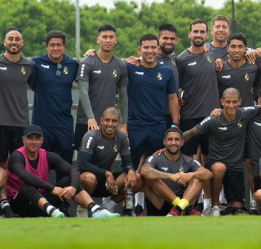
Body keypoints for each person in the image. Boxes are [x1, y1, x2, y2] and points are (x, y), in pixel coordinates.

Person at [6, 124, 117, 218]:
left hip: (42, 203)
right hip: (20, 205)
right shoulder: (17, 156)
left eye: (37, 138)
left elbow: (72, 170)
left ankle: (96, 210)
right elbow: (24, 175)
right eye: (30, 138)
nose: (33, 142)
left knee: (68, 181)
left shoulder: (47, 155)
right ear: (23, 140)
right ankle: (54, 212)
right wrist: (52, 188)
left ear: (42, 140)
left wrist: (73, 187)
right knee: (27, 186)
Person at [183, 88, 260, 215]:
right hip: (215, 163)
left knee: (236, 207)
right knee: (219, 168)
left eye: (234, 102)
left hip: (236, 167)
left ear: (239, 102)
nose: (231, 105)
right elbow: (191, 133)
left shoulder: (245, 113)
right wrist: (170, 145)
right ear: (222, 102)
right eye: (228, 102)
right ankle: (214, 206)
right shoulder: (214, 118)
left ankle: (224, 209)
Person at [125, 34, 179, 215]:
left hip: (157, 126)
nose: (150, 51)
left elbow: (173, 98)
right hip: (135, 126)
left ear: (158, 49)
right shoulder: (130, 68)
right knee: (131, 170)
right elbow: (109, 62)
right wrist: (91, 52)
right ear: (139, 50)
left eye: (153, 47)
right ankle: (129, 206)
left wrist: (175, 124)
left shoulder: (167, 72)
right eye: (146, 48)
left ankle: (158, 209)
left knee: (156, 169)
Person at [0, 28, 36, 165]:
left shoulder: (30, 65)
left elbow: (37, 87)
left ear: (22, 43)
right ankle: (0, 187)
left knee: (18, 163)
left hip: (21, 123)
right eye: (11, 39)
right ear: (5, 42)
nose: (14, 42)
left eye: (17, 39)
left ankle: (16, 188)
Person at [176, 19, 222, 161]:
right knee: (187, 159)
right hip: (190, 116)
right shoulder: (181, 59)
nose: (198, 34)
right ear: (189, 34)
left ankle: (207, 184)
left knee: (210, 159)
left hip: (212, 115)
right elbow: (175, 86)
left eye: (202, 32)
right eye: (195, 31)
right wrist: (180, 96)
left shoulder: (212, 55)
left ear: (207, 36)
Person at [139, 127, 211, 216]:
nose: (173, 143)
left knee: (198, 177)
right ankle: (181, 206)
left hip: (185, 200)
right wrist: (170, 176)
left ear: (182, 142)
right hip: (161, 203)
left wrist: (190, 175)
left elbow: (208, 174)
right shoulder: (155, 158)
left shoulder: (188, 160)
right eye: (170, 139)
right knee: (150, 177)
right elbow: (144, 171)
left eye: (176, 140)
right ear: (164, 142)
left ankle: (179, 208)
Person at [77, 107, 139, 212]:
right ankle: (83, 207)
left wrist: (131, 170)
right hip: (86, 181)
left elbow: (127, 162)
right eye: (107, 120)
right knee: (89, 178)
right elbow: (83, 163)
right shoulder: (91, 135)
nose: (110, 124)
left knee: (137, 177)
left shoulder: (122, 137)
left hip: (107, 182)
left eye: (114, 121)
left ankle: (107, 206)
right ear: (101, 120)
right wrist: (107, 173)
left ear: (119, 122)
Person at [31, 30, 79, 161]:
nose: (55, 48)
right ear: (47, 46)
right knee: (39, 166)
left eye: (59, 45)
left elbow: (89, 76)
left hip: (64, 124)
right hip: (41, 124)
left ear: (65, 46)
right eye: (52, 45)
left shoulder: (73, 65)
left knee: (65, 167)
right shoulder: (35, 63)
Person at [77, 24, 128, 133]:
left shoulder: (121, 66)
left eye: (111, 37)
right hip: (86, 121)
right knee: (83, 150)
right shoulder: (86, 62)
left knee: (108, 151)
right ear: (98, 40)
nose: (108, 40)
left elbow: (123, 97)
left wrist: (124, 125)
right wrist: (91, 118)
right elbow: (83, 92)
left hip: (108, 123)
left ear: (115, 40)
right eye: (105, 37)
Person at [217, 33, 258, 107]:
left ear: (245, 49)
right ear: (227, 49)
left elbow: (256, 89)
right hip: (225, 115)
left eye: (240, 47)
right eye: (233, 46)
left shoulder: (253, 69)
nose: (236, 50)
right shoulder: (219, 68)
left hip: (248, 115)